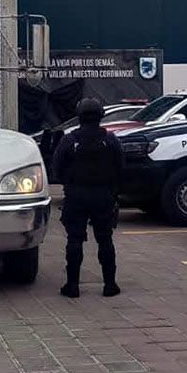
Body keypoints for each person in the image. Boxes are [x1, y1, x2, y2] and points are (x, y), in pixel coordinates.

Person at [51, 97, 124, 298]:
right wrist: (113, 191)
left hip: (76, 195)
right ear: (101, 116)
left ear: (79, 116)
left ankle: (72, 285)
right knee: (105, 239)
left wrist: (69, 184)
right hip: (103, 195)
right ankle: (110, 285)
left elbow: (56, 168)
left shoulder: (69, 140)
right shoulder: (110, 140)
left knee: (74, 239)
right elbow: (120, 167)